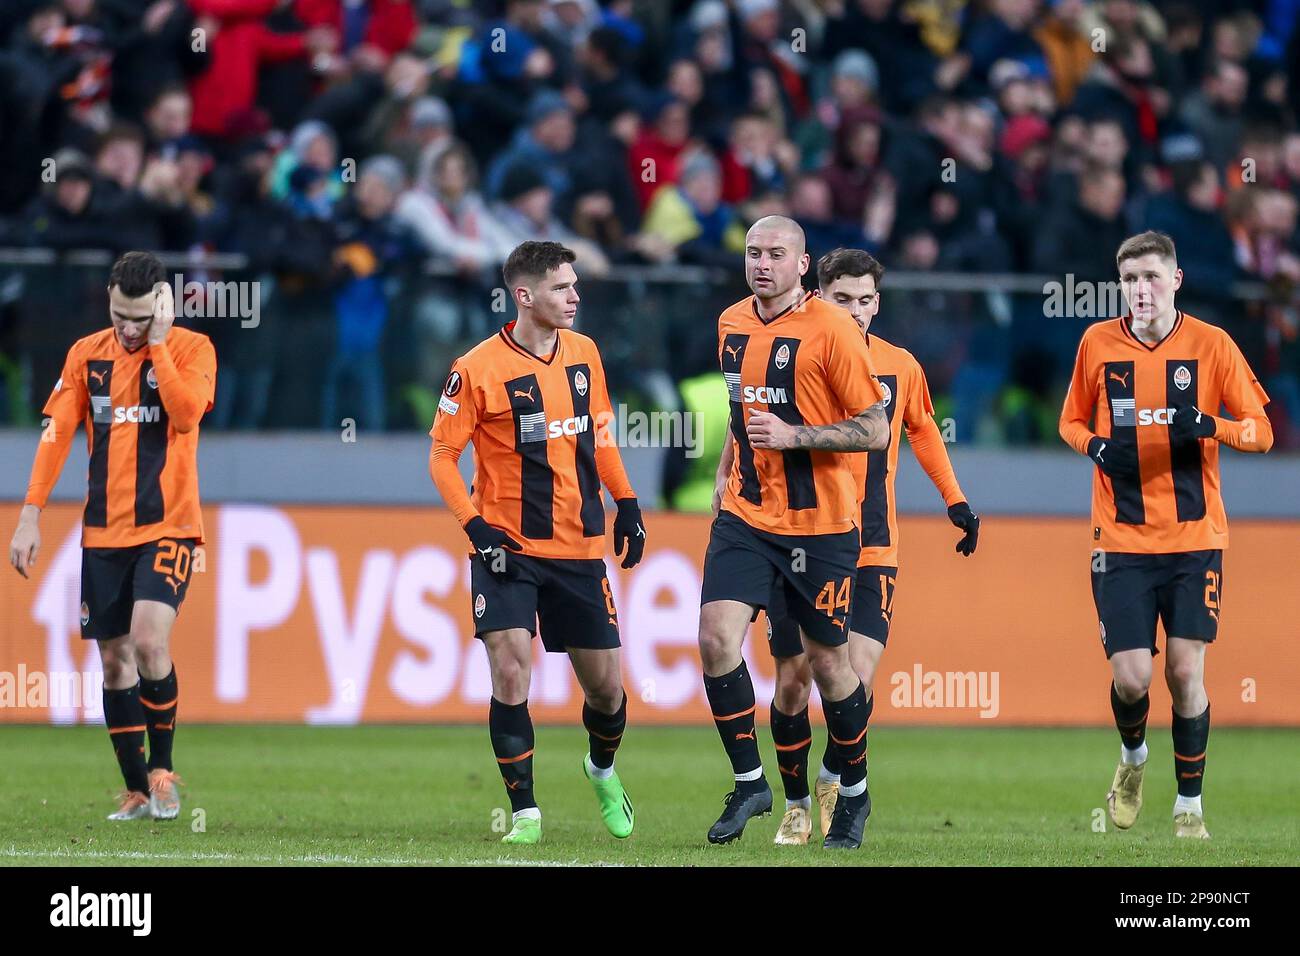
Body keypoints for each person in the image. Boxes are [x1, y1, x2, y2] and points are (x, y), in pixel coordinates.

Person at [429, 240, 646, 846]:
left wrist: (626, 502)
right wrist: (474, 526)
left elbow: (601, 434)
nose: (575, 297)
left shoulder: (584, 354)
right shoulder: (475, 369)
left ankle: (600, 767)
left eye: (575, 285)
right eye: (561, 287)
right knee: (509, 668)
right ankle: (525, 813)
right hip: (507, 548)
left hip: (578, 548)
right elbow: (443, 458)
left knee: (606, 688)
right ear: (524, 296)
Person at [1058, 230, 1273, 839]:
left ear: (1176, 280)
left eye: (1152, 277)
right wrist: (1098, 446)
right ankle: (1132, 760)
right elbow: (1070, 421)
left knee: (1184, 672)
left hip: (1194, 538)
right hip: (1120, 541)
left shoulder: (1212, 345)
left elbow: (1261, 432)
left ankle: (1189, 807)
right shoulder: (1097, 343)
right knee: (1132, 677)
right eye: (1129, 280)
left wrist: (1210, 425)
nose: (1141, 290)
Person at [764, 248, 981, 844]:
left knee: (853, 678)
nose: (855, 312)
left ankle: (838, 779)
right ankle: (798, 802)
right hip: (799, 542)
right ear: (817, 296)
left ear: (877, 304)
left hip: (871, 548)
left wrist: (955, 502)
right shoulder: (793, 353)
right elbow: (748, 426)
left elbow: (924, 433)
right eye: (842, 300)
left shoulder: (900, 367)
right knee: (792, 681)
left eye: (865, 301)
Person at [697, 216, 889, 850]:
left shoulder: (834, 331)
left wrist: (795, 436)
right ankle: (751, 781)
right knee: (717, 635)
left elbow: (874, 429)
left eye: (776, 254)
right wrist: (725, 476)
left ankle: (855, 792)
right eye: (753, 251)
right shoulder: (730, 324)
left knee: (830, 667)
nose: (762, 263)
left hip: (822, 526)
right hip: (747, 517)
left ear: (802, 265)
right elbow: (737, 414)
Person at [8, 250, 217, 822]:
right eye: (119, 315)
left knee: (150, 641)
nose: (127, 328)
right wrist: (31, 513)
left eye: (139, 317)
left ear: (161, 306)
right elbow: (56, 434)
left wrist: (158, 344)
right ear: (109, 298)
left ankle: (163, 771)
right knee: (114, 660)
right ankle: (136, 791)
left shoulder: (192, 349)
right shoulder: (85, 355)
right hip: (103, 530)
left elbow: (183, 416)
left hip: (169, 524)